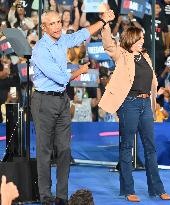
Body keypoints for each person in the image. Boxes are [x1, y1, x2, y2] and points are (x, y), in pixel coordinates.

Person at [30, 9, 115, 205]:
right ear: (44, 28)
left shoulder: (61, 40)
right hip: (44, 101)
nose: (57, 26)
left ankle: (61, 197)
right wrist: (82, 70)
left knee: (65, 149)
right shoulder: (40, 50)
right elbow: (61, 78)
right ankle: (45, 197)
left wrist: (103, 21)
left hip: (61, 100)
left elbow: (81, 34)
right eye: (52, 24)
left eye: (59, 22)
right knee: (44, 151)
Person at [98, 23, 170, 202]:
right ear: (131, 39)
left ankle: (157, 189)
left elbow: (152, 81)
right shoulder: (122, 55)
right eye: (139, 38)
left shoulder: (146, 56)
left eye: (142, 38)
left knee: (150, 147)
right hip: (129, 104)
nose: (142, 41)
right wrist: (105, 25)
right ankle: (128, 190)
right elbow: (108, 44)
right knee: (126, 147)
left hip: (146, 104)